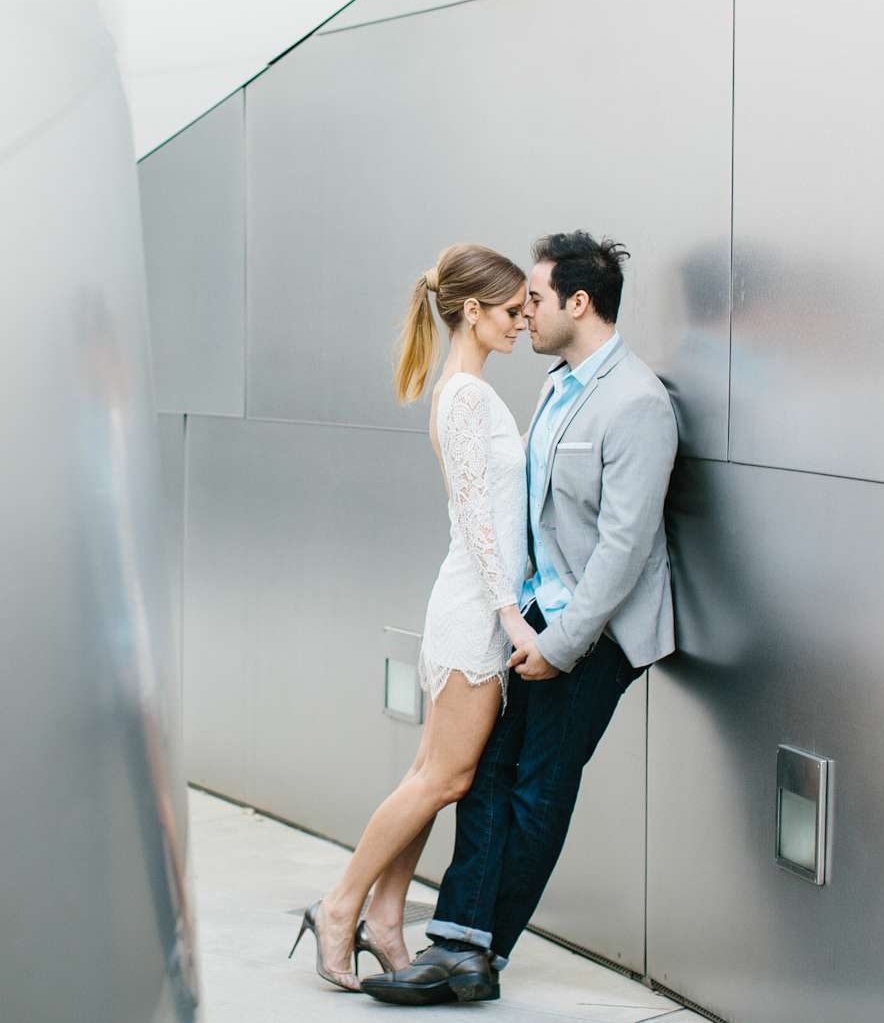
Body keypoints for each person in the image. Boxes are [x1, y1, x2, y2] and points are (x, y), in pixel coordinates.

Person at [361, 231, 678, 1007]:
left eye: (535, 297)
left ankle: (478, 950)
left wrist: (562, 644)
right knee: (488, 771)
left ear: (579, 302)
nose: (524, 311)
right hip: (539, 618)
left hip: (597, 636)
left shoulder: (639, 402)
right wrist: (522, 617)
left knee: (539, 786)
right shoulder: (559, 385)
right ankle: (459, 942)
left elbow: (624, 549)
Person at [290, 243, 534, 990]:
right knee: (444, 777)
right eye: (511, 309)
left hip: (475, 607)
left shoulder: (469, 389)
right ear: (471, 309)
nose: (523, 320)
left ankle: (386, 917)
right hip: (473, 614)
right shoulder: (464, 394)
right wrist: (509, 615)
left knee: (433, 773)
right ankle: (339, 907)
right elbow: (476, 517)